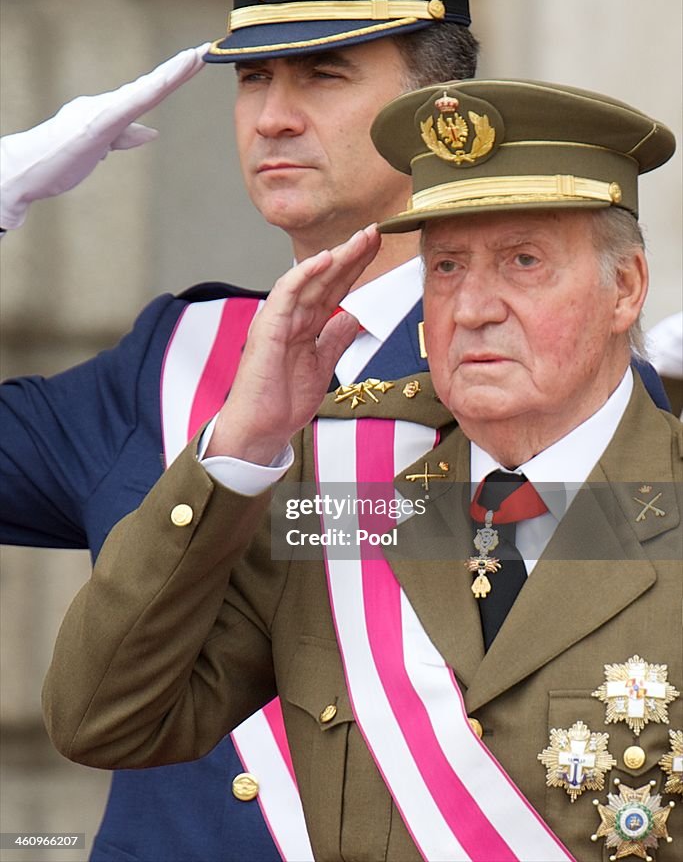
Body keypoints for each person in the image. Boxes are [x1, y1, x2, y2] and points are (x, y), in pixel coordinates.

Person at [42, 78, 682, 862]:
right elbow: (104, 717)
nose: (473, 306)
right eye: (445, 267)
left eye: (522, 261)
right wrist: (240, 446)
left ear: (625, 288)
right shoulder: (342, 500)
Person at [1, 0, 506, 862]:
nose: (273, 115)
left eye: (324, 74)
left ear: (440, 115)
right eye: (253, 78)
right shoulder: (170, 362)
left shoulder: (536, 369)